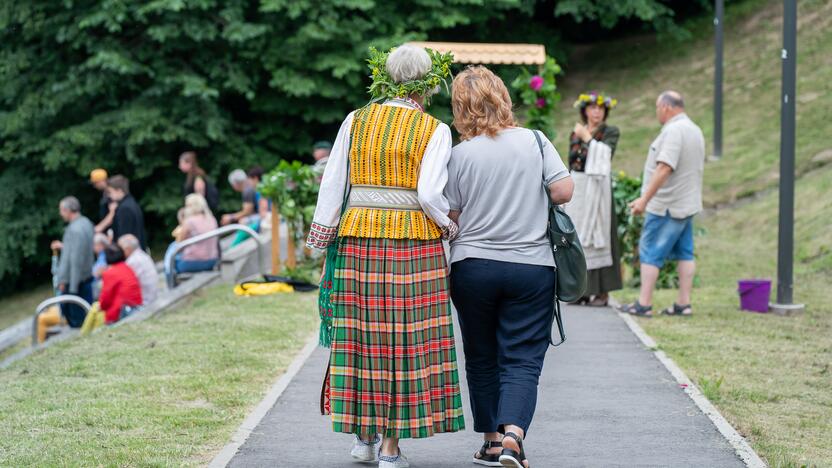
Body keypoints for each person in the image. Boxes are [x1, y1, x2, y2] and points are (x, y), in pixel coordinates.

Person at [306, 44, 464, 468]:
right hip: (413, 245)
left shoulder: (354, 120)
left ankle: (365, 439)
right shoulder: (435, 128)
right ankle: (391, 451)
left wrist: (322, 236)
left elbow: (333, 181)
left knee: (364, 337)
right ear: (429, 82)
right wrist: (448, 226)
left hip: (358, 239)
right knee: (405, 342)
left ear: (389, 77)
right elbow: (431, 194)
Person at [444, 66, 573, 468]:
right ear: (502, 97)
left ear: (461, 108)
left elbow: (450, 215)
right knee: (522, 358)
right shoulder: (535, 141)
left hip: (473, 267)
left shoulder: (459, 155)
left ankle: (491, 442)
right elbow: (563, 189)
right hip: (531, 267)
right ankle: (514, 435)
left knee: (481, 355)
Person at [617, 90, 705, 317]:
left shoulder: (674, 131)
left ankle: (643, 304)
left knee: (650, 252)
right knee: (685, 253)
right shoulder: (694, 129)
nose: (657, 113)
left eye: (657, 109)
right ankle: (683, 304)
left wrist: (644, 200)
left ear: (666, 107)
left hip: (666, 205)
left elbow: (665, 166)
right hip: (686, 204)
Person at [564, 92, 622, 306]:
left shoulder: (610, 132)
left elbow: (605, 156)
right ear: (585, 110)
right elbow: (573, 161)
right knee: (578, 236)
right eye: (592, 108)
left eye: (600, 108)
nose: (596, 112)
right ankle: (582, 290)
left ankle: (602, 292)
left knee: (600, 235)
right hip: (580, 188)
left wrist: (587, 138)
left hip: (598, 188)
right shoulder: (575, 132)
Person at [51, 196, 95, 327]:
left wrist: (67, 284)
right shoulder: (86, 222)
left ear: (68, 210)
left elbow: (75, 260)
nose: (60, 213)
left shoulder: (74, 230)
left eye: (61, 210)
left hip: (75, 282)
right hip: (87, 275)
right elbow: (80, 249)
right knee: (87, 313)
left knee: (76, 320)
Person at [164, 193, 219, 284]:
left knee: (170, 257)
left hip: (193, 263)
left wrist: (181, 219)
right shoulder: (211, 219)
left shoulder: (189, 221)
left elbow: (179, 243)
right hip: (212, 260)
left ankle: (172, 288)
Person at [98, 244, 142, 324]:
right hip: (135, 307)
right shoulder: (126, 267)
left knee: (94, 312)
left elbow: (105, 299)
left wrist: (100, 307)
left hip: (120, 312)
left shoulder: (109, 273)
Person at [106, 175, 147, 250]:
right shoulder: (132, 203)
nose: (109, 196)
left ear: (119, 190)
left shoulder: (124, 208)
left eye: (110, 192)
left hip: (130, 253)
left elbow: (124, 237)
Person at [118, 234, 159, 306]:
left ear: (127, 249)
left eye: (120, 249)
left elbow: (124, 288)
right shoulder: (142, 255)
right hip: (152, 298)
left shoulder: (132, 262)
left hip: (144, 303)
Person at [90, 169, 114, 234]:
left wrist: (99, 228)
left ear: (102, 181)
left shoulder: (112, 195)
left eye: (95, 183)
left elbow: (112, 214)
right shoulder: (105, 194)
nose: (94, 186)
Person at [91, 233, 110, 299]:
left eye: (94, 244)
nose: (92, 246)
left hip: (97, 289)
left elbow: (99, 273)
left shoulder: (104, 256)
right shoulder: (101, 256)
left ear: (101, 245)